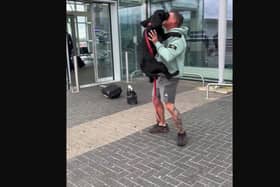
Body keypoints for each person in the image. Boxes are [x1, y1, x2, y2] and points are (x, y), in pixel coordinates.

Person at [147, 10, 189, 146]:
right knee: (155, 99)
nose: (165, 17)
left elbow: (168, 55)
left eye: (168, 16)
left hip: (170, 76)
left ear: (174, 21)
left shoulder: (178, 39)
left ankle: (181, 132)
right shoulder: (167, 35)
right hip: (160, 74)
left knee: (170, 106)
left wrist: (156, 43)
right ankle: (162, 125)